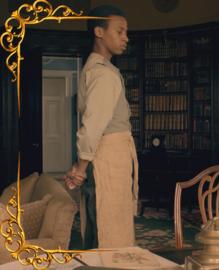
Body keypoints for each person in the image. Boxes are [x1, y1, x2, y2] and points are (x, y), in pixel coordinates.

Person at [64, 5, 138, 249]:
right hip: (108, 158)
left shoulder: (98, 69)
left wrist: (80, 165)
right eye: (120, 31)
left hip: (108, 157)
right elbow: (93, 126)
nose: (125, 37)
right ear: (99, 31)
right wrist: (80, 169)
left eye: (126, 32)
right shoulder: (103, 74)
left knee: (104, 220)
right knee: (109, 227)